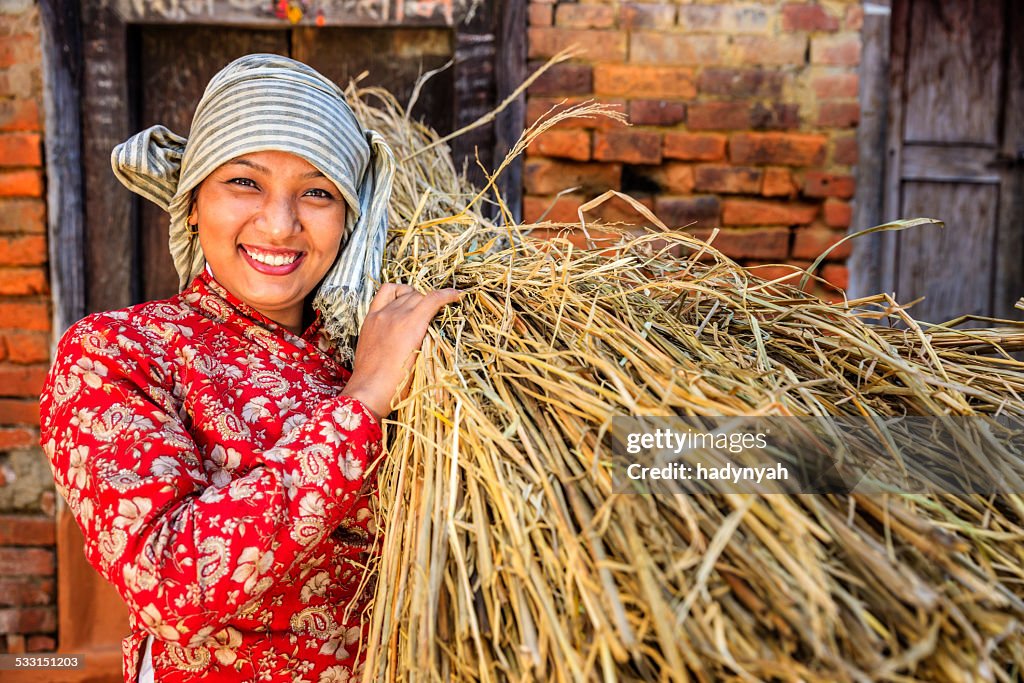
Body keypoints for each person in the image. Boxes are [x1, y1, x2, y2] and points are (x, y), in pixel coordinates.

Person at [39, 54, 460, 682]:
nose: (280, 224)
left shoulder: (387, 345)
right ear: (191, 203)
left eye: (317, 192)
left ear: (348, 220)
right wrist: (364, 400)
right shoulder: (117, 353)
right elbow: (169, 583)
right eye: (245, 183)